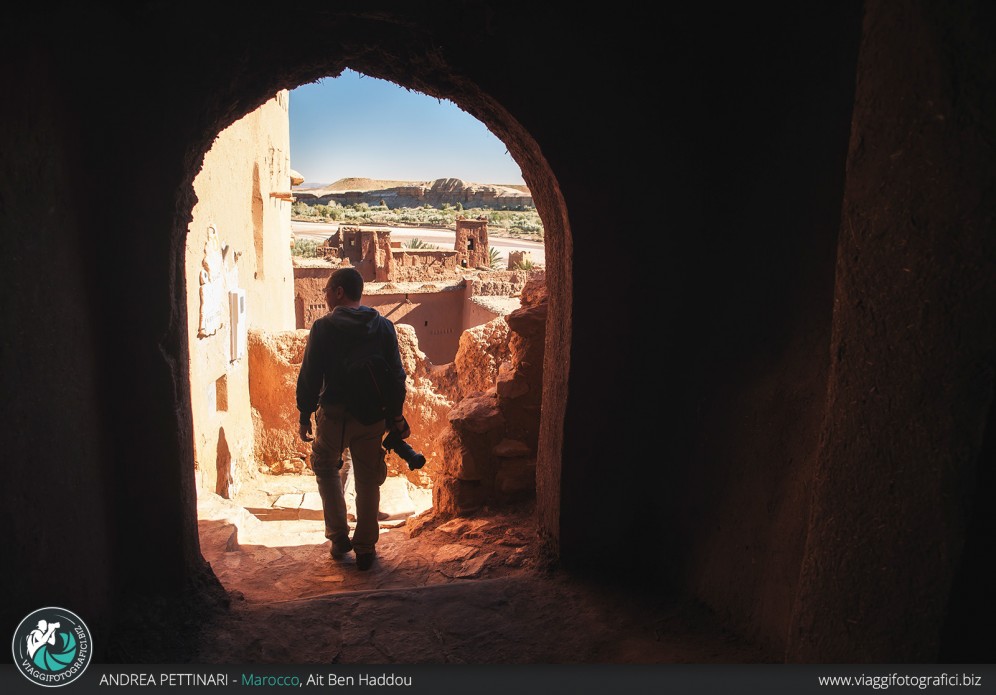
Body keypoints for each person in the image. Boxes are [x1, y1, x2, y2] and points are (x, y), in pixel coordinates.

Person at [296, 267, 409, 571]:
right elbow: (397, 376)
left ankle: (337, 537)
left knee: (324, 467)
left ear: (339, 292)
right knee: (369, 478)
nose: (325, 296)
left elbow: (310, 376)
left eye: (327, 290)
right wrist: (395, 416)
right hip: (373, 418)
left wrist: (304, 414)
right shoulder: (384, 327)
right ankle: (366, 547)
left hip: (334, 417)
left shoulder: (324, 328)